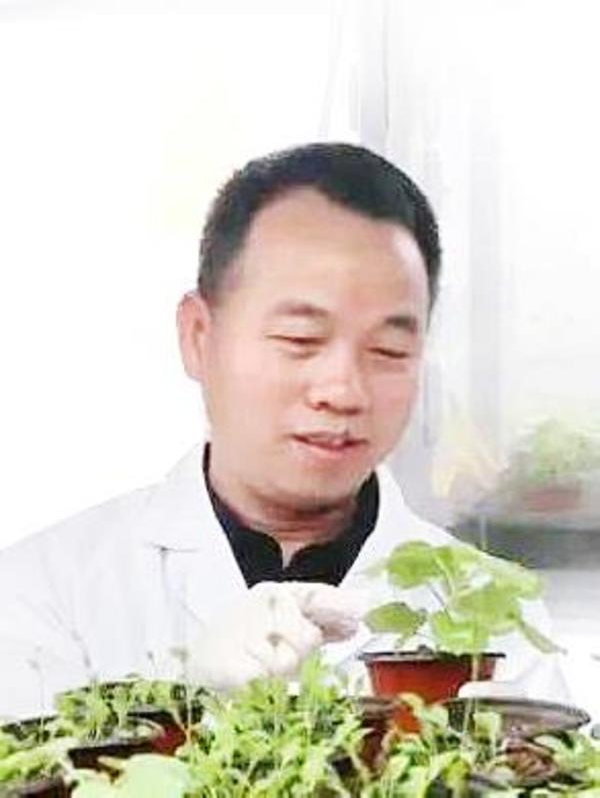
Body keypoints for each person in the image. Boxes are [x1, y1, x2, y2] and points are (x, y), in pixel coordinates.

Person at [0, 143, 566, 718]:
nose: (343, 390)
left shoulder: (495, 617)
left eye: (389, 349)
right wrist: (188, 707)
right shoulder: (44, 593)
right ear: (198, 337)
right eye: (300, 340)